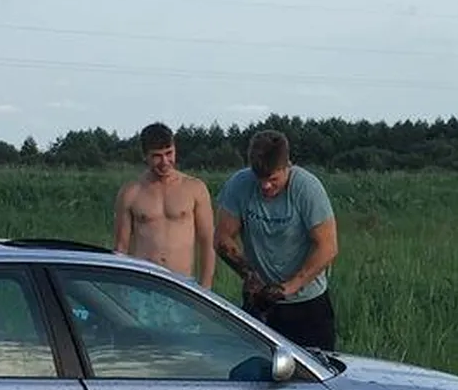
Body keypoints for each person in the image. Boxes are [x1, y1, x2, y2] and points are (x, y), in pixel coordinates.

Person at [216, 129, 339, 350]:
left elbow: (328, 247)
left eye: (273, 179)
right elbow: (223, 239)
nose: (265, 186)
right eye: (260, 179)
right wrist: (249, 276)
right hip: (259, 301)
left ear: (287, 166)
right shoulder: (239, 185)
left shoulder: (307, 188)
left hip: (307, 304)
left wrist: (289, 287)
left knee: (311, 377)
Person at [111, 123, 215, 289]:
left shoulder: (194, 188)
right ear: (145, 156)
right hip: (143, 285)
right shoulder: (131, 192)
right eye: (157, 156)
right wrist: (121, 289)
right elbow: (120, 248)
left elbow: (208, 243)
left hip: (183, 284)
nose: (165, 161)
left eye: (169, 153)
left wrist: (206, 288)